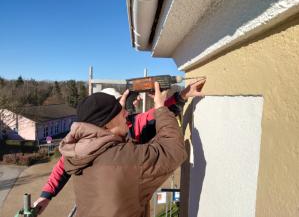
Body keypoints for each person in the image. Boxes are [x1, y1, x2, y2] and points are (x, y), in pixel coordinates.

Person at [33, 79, 206, 214]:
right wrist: (47, 194)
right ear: (105, 119)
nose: (125, 110)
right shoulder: (122, 132)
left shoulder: (79, 146)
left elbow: (155, 116)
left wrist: (181, 95)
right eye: (117, 105)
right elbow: (170, 147)